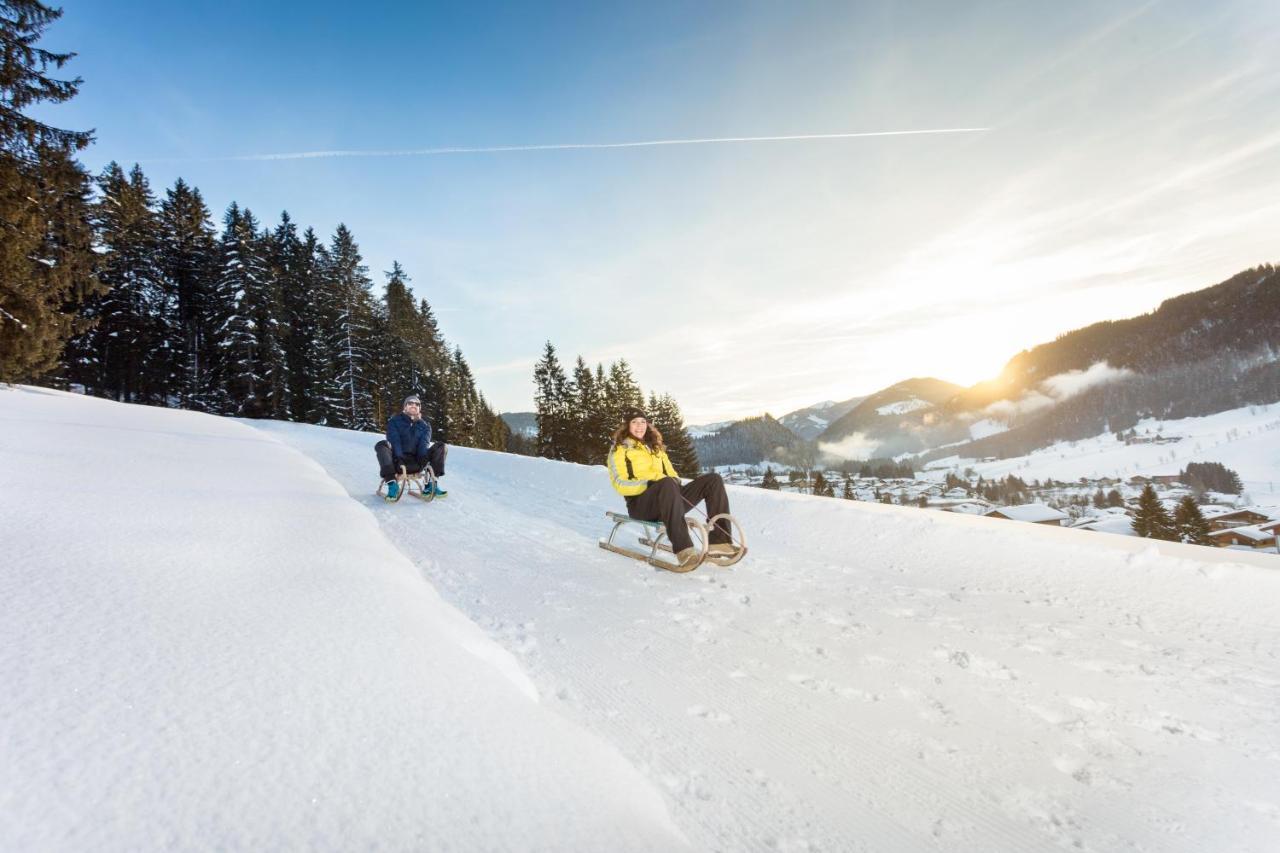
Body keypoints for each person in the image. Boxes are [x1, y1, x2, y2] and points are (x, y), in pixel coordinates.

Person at [607, 410, 736, 568]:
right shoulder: (620, 449)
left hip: (668, 498)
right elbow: (619, 483)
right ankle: (684, 550)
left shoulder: (655, 448)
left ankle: (720, 541)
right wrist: (649, 484)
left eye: (642, 421)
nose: (639, 426)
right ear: (627, 425)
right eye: (634, 422)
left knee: (713, 480)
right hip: (641, 504)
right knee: (666, 483)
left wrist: (674, 483)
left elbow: (672, 475)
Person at [375, 395, 447, 499]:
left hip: (417, 461)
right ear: (405, 407)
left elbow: (423, 444)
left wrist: (422, 460)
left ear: (419, 408)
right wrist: (399, 458)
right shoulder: (395, 421)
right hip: (397, 461)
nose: (413, 405)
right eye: (410, 403)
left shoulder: (425, 426)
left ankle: (430, 484)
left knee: (441, 446)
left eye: (416, 404)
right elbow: (395, 441)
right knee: (382, 445)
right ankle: (392, 485)